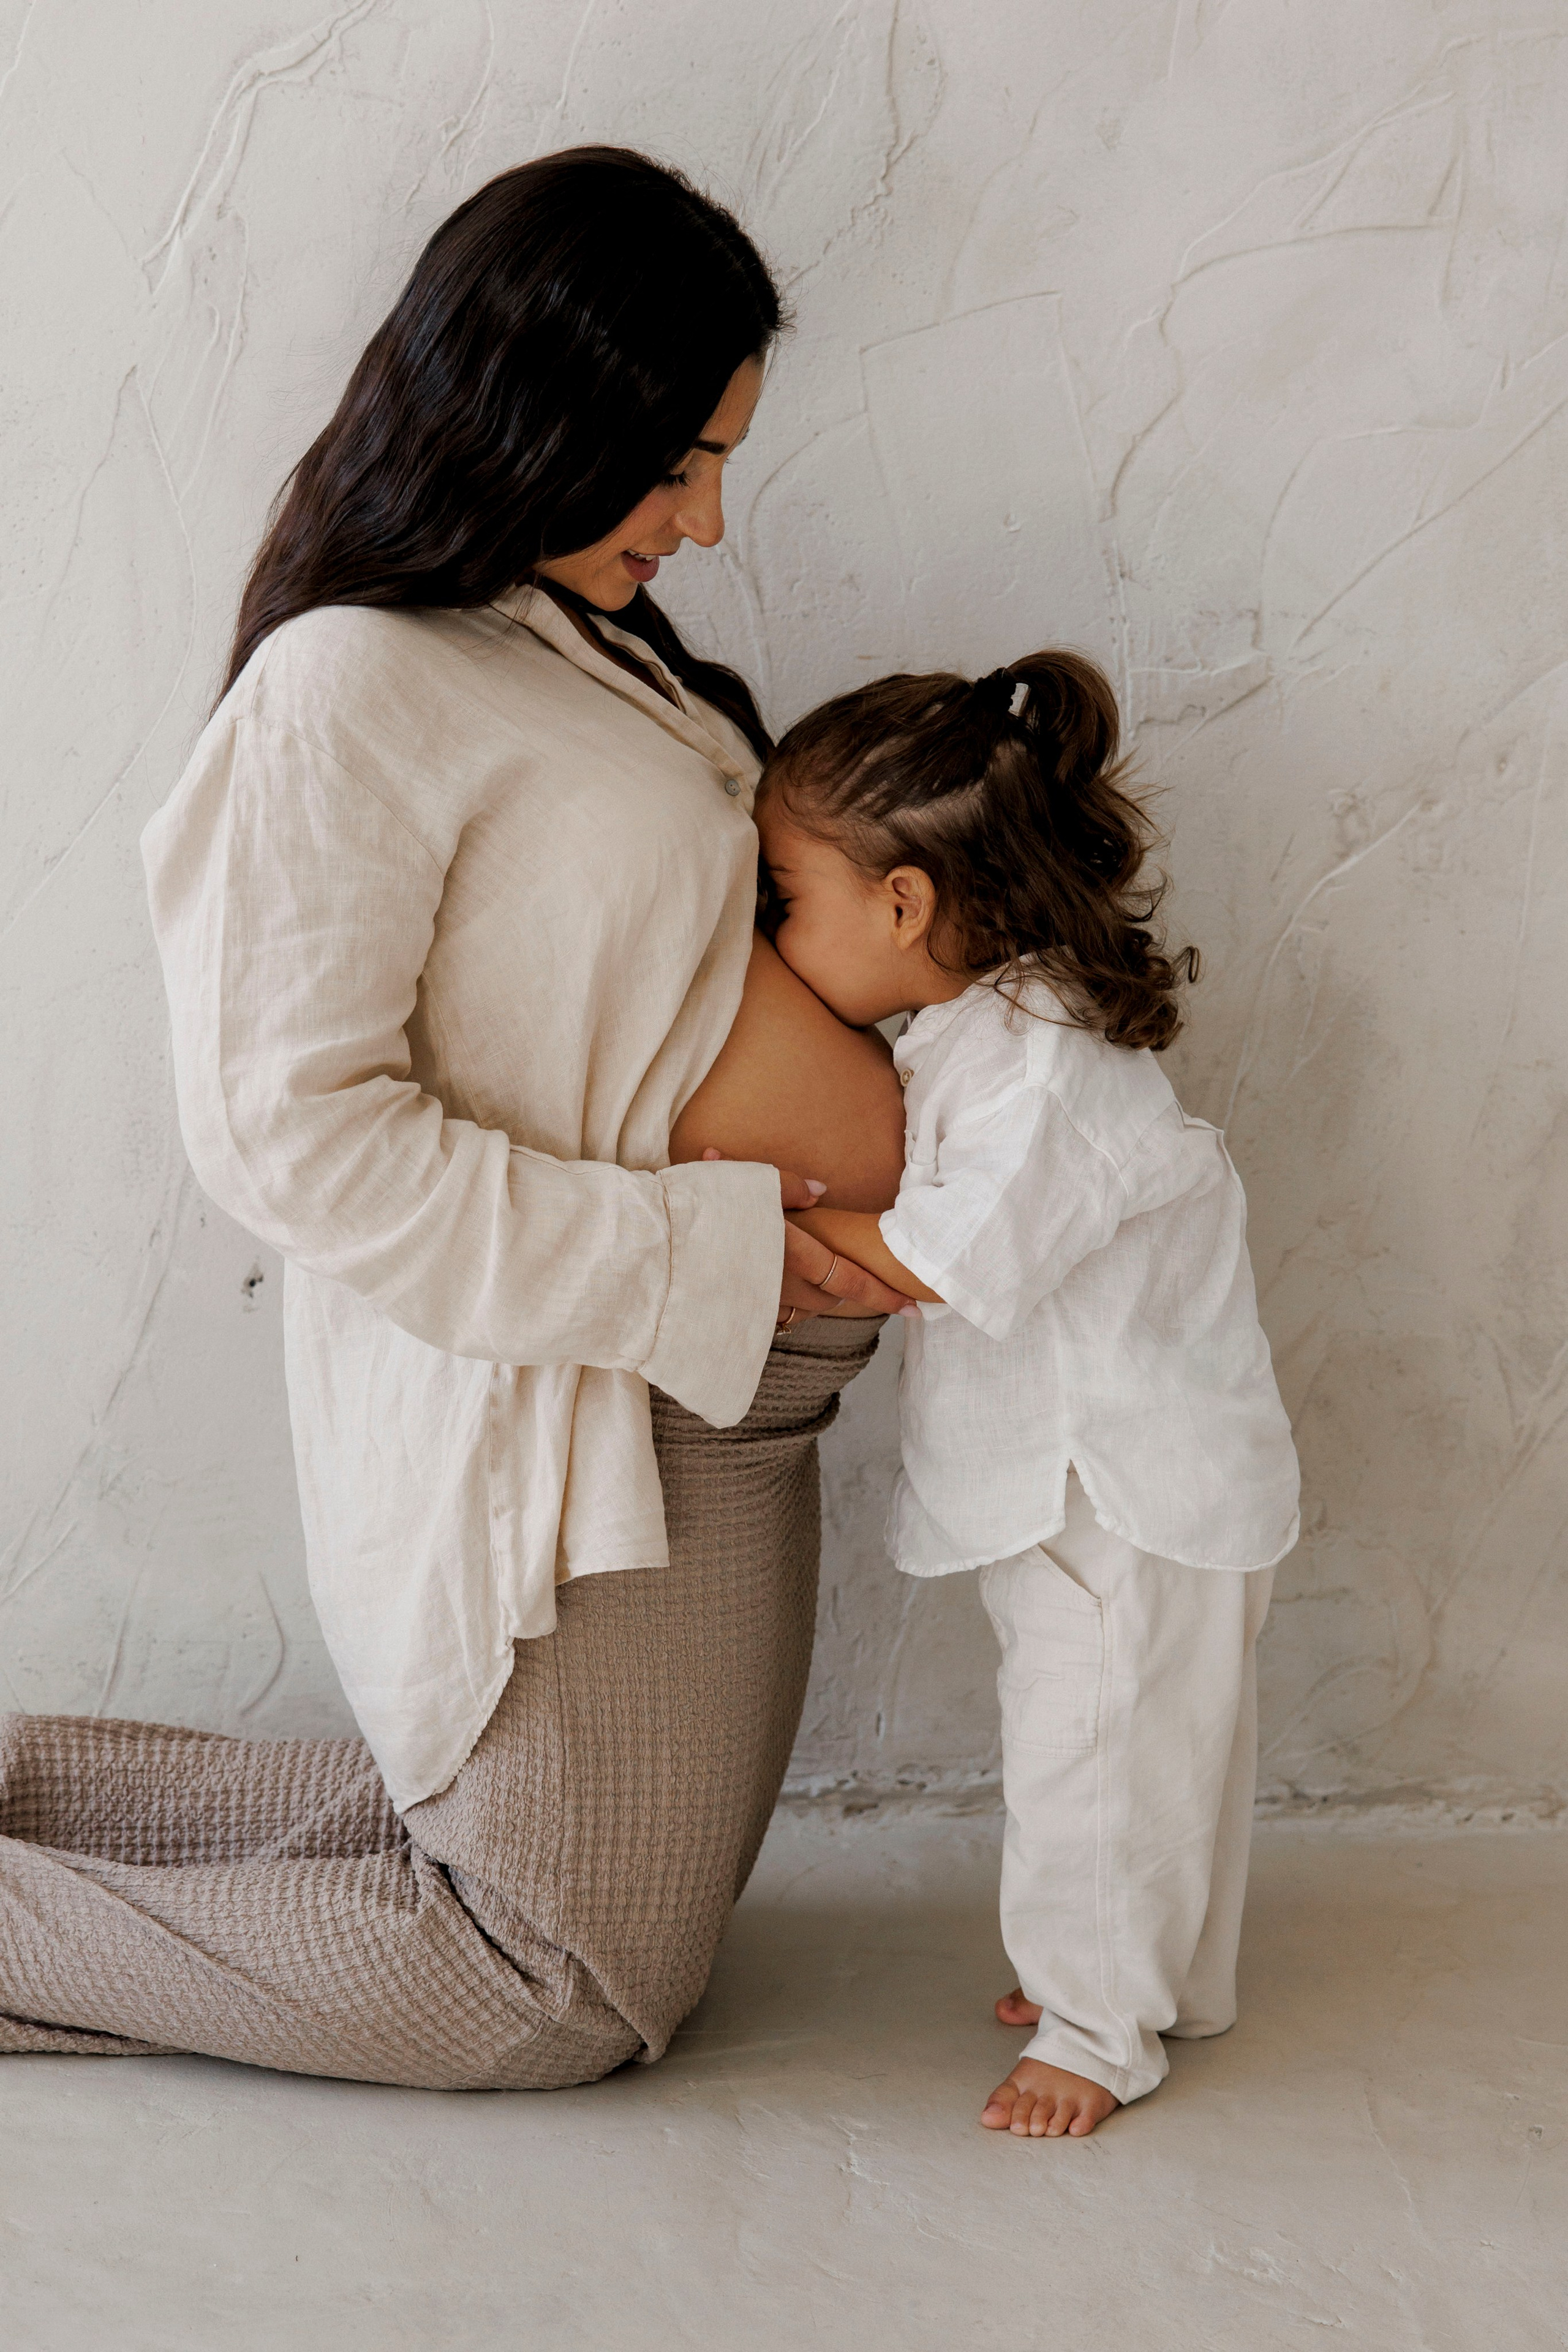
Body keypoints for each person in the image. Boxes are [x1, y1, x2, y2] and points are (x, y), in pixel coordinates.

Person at [0, 149, 914, 2087]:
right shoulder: (344, 685)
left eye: (723, 461)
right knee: (554, 1980)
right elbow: (295, 1136)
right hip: (611, 1392)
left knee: (539, 1897)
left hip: (715, 1403)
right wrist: (708, 1259)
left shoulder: (577, 643)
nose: (710, 518)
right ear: (534, 412)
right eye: (678, 462)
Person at [745, 648, 1301, 2137]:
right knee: (1156, 1749)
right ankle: (1162, 1980)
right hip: (1119, 1478)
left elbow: (938, 1257)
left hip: (1113, 1490)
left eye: (785, 899)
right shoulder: (989, 1034)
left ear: (901, 904)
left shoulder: (1041, 1064)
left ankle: (1096, 2030)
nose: (775, 933)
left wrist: (753, 1226)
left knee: (1093, 1755)